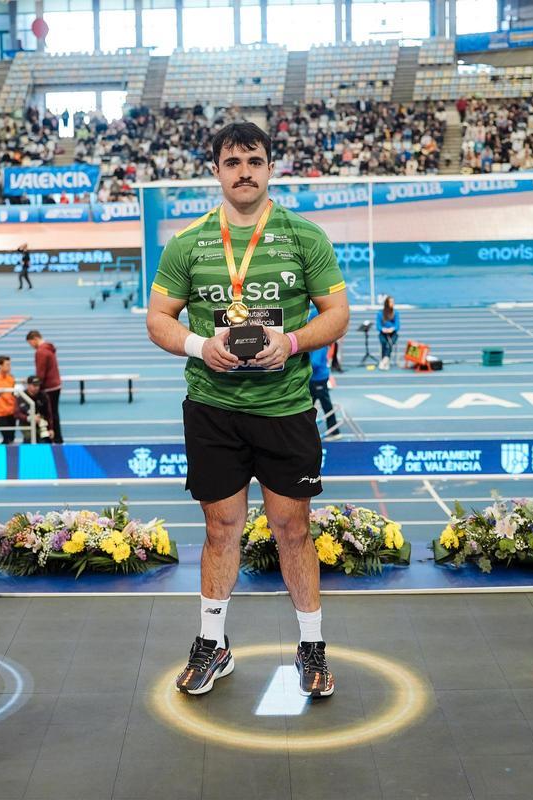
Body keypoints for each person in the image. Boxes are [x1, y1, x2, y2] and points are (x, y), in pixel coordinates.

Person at [147, 121, 350, 698]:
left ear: (270, 168)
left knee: (293, 528)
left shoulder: (304, 236)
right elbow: (158, 319)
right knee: (221, 529)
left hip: (284, 408)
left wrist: (292, 342)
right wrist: (198, 345)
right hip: (213, 409)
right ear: (216, 170)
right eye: (232, 162)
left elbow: (337, 314)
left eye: (254, 161)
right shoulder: (187, 243)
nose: (244, 172)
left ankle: (312, 647)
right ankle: (212, 645)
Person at [25, 329, 63, 443]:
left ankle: (55, 438)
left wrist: (35, 386)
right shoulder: (49, 348)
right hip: (56, 384)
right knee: (54, 412)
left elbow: (40, 373)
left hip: (49, 386)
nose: (31, 346)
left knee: (49, 413)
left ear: (35, 339)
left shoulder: (41, 352)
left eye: (30, 343)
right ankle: (57, 437)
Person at [307, 308, 340, 439]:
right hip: (317, 377)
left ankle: (334, 431)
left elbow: (315, 363)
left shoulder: (318, 340)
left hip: (317, 378)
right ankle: (307, 431)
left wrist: (303, 367)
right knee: (309, 406)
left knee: (322, 405)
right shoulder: (319, 338)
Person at [16, 375, 53, 443]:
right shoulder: (22, 396)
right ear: (28, 385)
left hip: (41, 422)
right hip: (26, 423)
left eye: (38, 385)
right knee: (30, 439)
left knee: (46, 439)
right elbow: (17, 413)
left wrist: (50, 429)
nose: (37, 387)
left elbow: (49, 413)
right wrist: (29, 418)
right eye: (34, 385)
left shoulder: (43, 396)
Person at [377, 295, 400, 370]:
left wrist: (392, 329)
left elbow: (397, 326)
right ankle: (386, 361)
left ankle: (384, 360)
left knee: (389, 343)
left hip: (393, 333)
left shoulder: (396, 313)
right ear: (387, 303)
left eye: (393, 302)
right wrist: (383, 329)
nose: (393, 303)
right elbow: (378, 326)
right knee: (384, 342)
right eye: (391, 302)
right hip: (383, 333)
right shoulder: (380, 313)